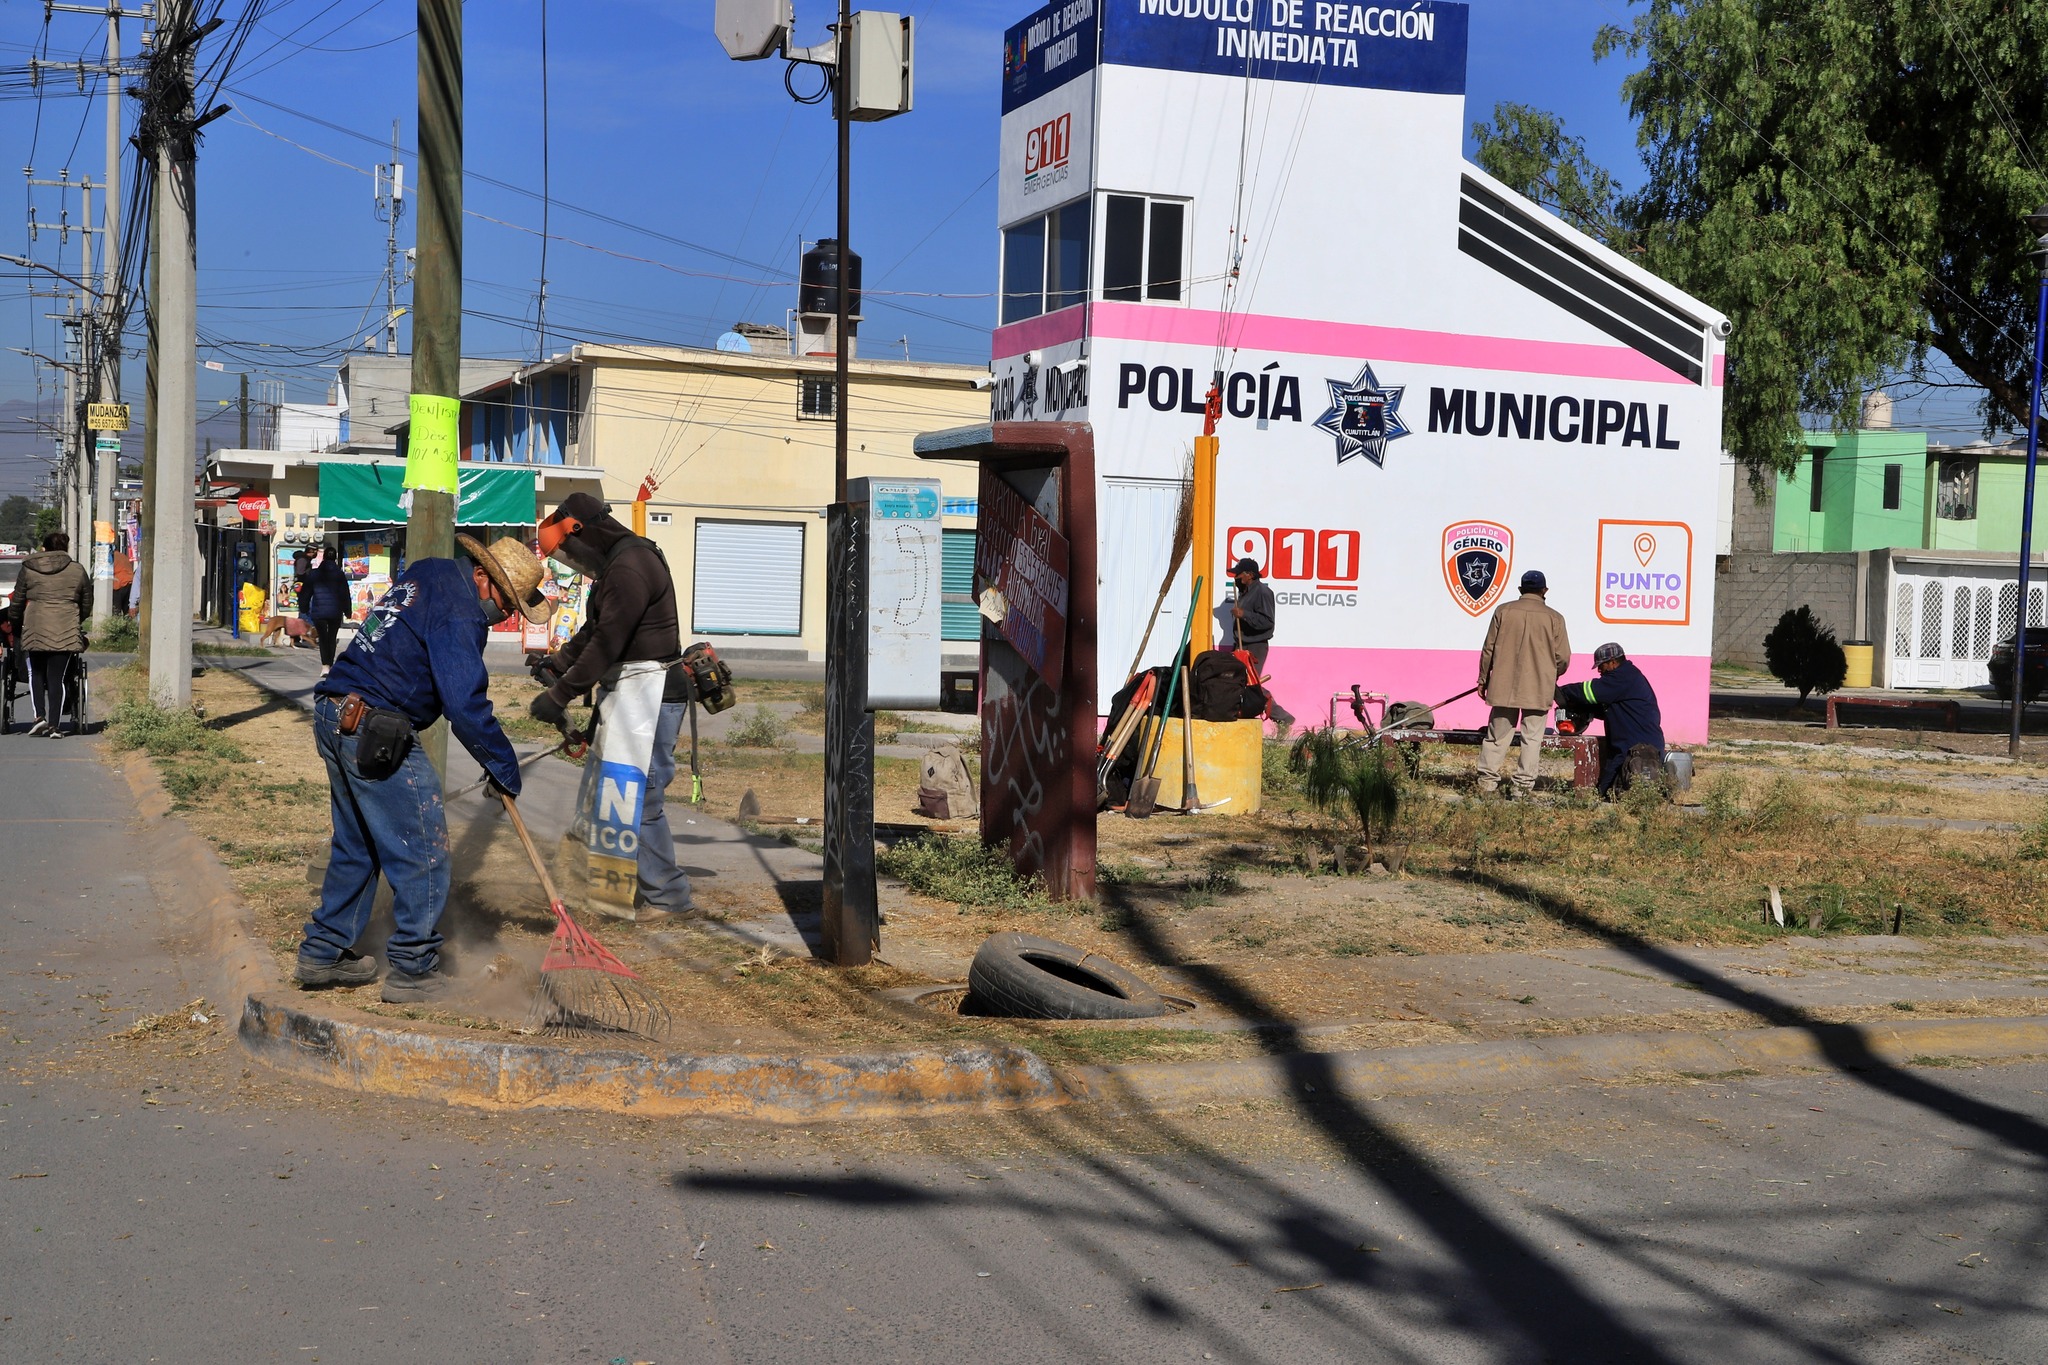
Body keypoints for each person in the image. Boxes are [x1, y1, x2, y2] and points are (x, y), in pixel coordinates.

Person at [295, 538, 551, 1000]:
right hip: (375, 727)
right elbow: (465, 704)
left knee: (359, 844)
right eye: (505, 602)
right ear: (482, 576)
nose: (505, 614)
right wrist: (502, 767)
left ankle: (324, 951)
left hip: (335, 711)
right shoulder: (461, 610)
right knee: (424, 850)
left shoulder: (430, 570)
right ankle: (413, 971)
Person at [528, 492, 695, 919]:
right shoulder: (617, 566)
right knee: (618, 794)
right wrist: (557, 663)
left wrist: (559, 695)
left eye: (567, 552)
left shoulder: (630, 566)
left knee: (640, 797)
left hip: (653, 692)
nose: (571, 562)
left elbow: (609, 640)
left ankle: (669, 899)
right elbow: (594, 630)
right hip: (630, 688)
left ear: (580, 531)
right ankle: (624, 891)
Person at [1475, 569, 1571, 795]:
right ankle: (1522, 787)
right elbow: (1563, 657)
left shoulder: (1503, 611)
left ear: (1520, 589)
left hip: (1503, 684)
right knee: (1532, 738)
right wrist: (1550, 673)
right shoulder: (1555, 618)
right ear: (1544, 591)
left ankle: (1487, 784)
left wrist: (1483, 678)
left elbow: (1488, 648)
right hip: (1538, 686)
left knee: (1497, 736)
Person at [1558, 641, 1666, 798]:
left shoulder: (1623, 677)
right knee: (1609, 790)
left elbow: (1589, 691)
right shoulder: (1626, 679)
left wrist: (1561, 693)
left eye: (1601, 665)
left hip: (1637, 749)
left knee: (1608, 792)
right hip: (1629, 746)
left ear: (1613, 662)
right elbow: (1605, 709)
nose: (1599, 670)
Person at [9, 532, 90, 737]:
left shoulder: (28, 569)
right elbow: (87, 603)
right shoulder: (77, 570)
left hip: (35, 625)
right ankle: (54, 725)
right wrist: (76, 620)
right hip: (65, 628)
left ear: (43, 549)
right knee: (57, 678)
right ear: (66, 549)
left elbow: (17, 601)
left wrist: (16, 624)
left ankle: (40, 718)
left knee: (36, 673)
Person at [1225, 556, 1294, 728]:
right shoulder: (1245, 592)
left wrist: (1244, 614)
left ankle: (1282, 718)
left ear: (1250, 574)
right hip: (1242, 645)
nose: (1236, 577)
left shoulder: (1263, 592)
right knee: (1240, 683)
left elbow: (1268, 622)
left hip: (1255, 646)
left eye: (1239, 574)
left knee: (1252, 685)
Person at [299, 545, 351, 678]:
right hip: (335, 612)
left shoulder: (315, 574)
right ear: (335, 558)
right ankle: (331, 664)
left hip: (319, 611)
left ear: (324, 557)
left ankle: (325, 667)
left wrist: (303, 607)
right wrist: (347, 611)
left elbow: (306, 593)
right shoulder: (339, 575)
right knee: (332, 638)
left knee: (323, 638)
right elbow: (345, 594)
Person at [110, 543, 134, 616]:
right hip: (130, 583)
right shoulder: (123, 556)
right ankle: (129, 624)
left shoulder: (111, 557)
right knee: (127, 609)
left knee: (116, 610)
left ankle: (117, 625)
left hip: (118, 584)